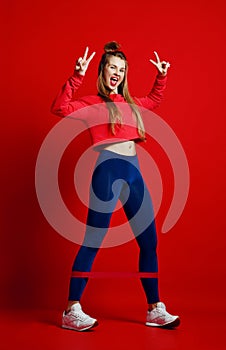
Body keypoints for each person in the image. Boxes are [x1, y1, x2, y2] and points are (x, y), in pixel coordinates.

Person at [51, 41, 180, 331]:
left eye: (122, 69)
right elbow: (59, 107)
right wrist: (76, 76)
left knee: (149, 243)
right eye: (112, 66)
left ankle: (154, 309)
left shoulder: (131, 104)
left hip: (134, 173)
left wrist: (161, 77)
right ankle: (71, 310)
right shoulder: (93, 104)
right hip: (107, 172)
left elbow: (154, 100)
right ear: (103, 70)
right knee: (93, 241)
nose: (117, 72)